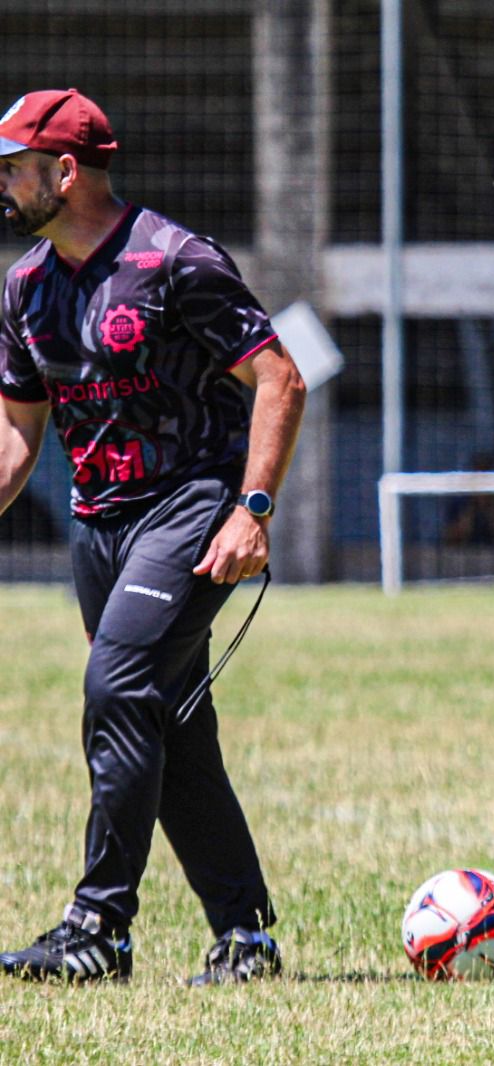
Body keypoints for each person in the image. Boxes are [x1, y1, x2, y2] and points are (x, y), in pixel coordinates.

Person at [0, 88, 306, 985]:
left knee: (118, 685)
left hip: (191, 508)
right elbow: (20, 431)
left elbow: (280, 380)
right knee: (169, 719)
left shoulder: (175, 261)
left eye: (15, 169)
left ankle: (98, 929)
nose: (4, 186)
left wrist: (252, 510)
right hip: (100, 530)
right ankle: (244, 936)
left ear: (66, 170)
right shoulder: (24, 287)